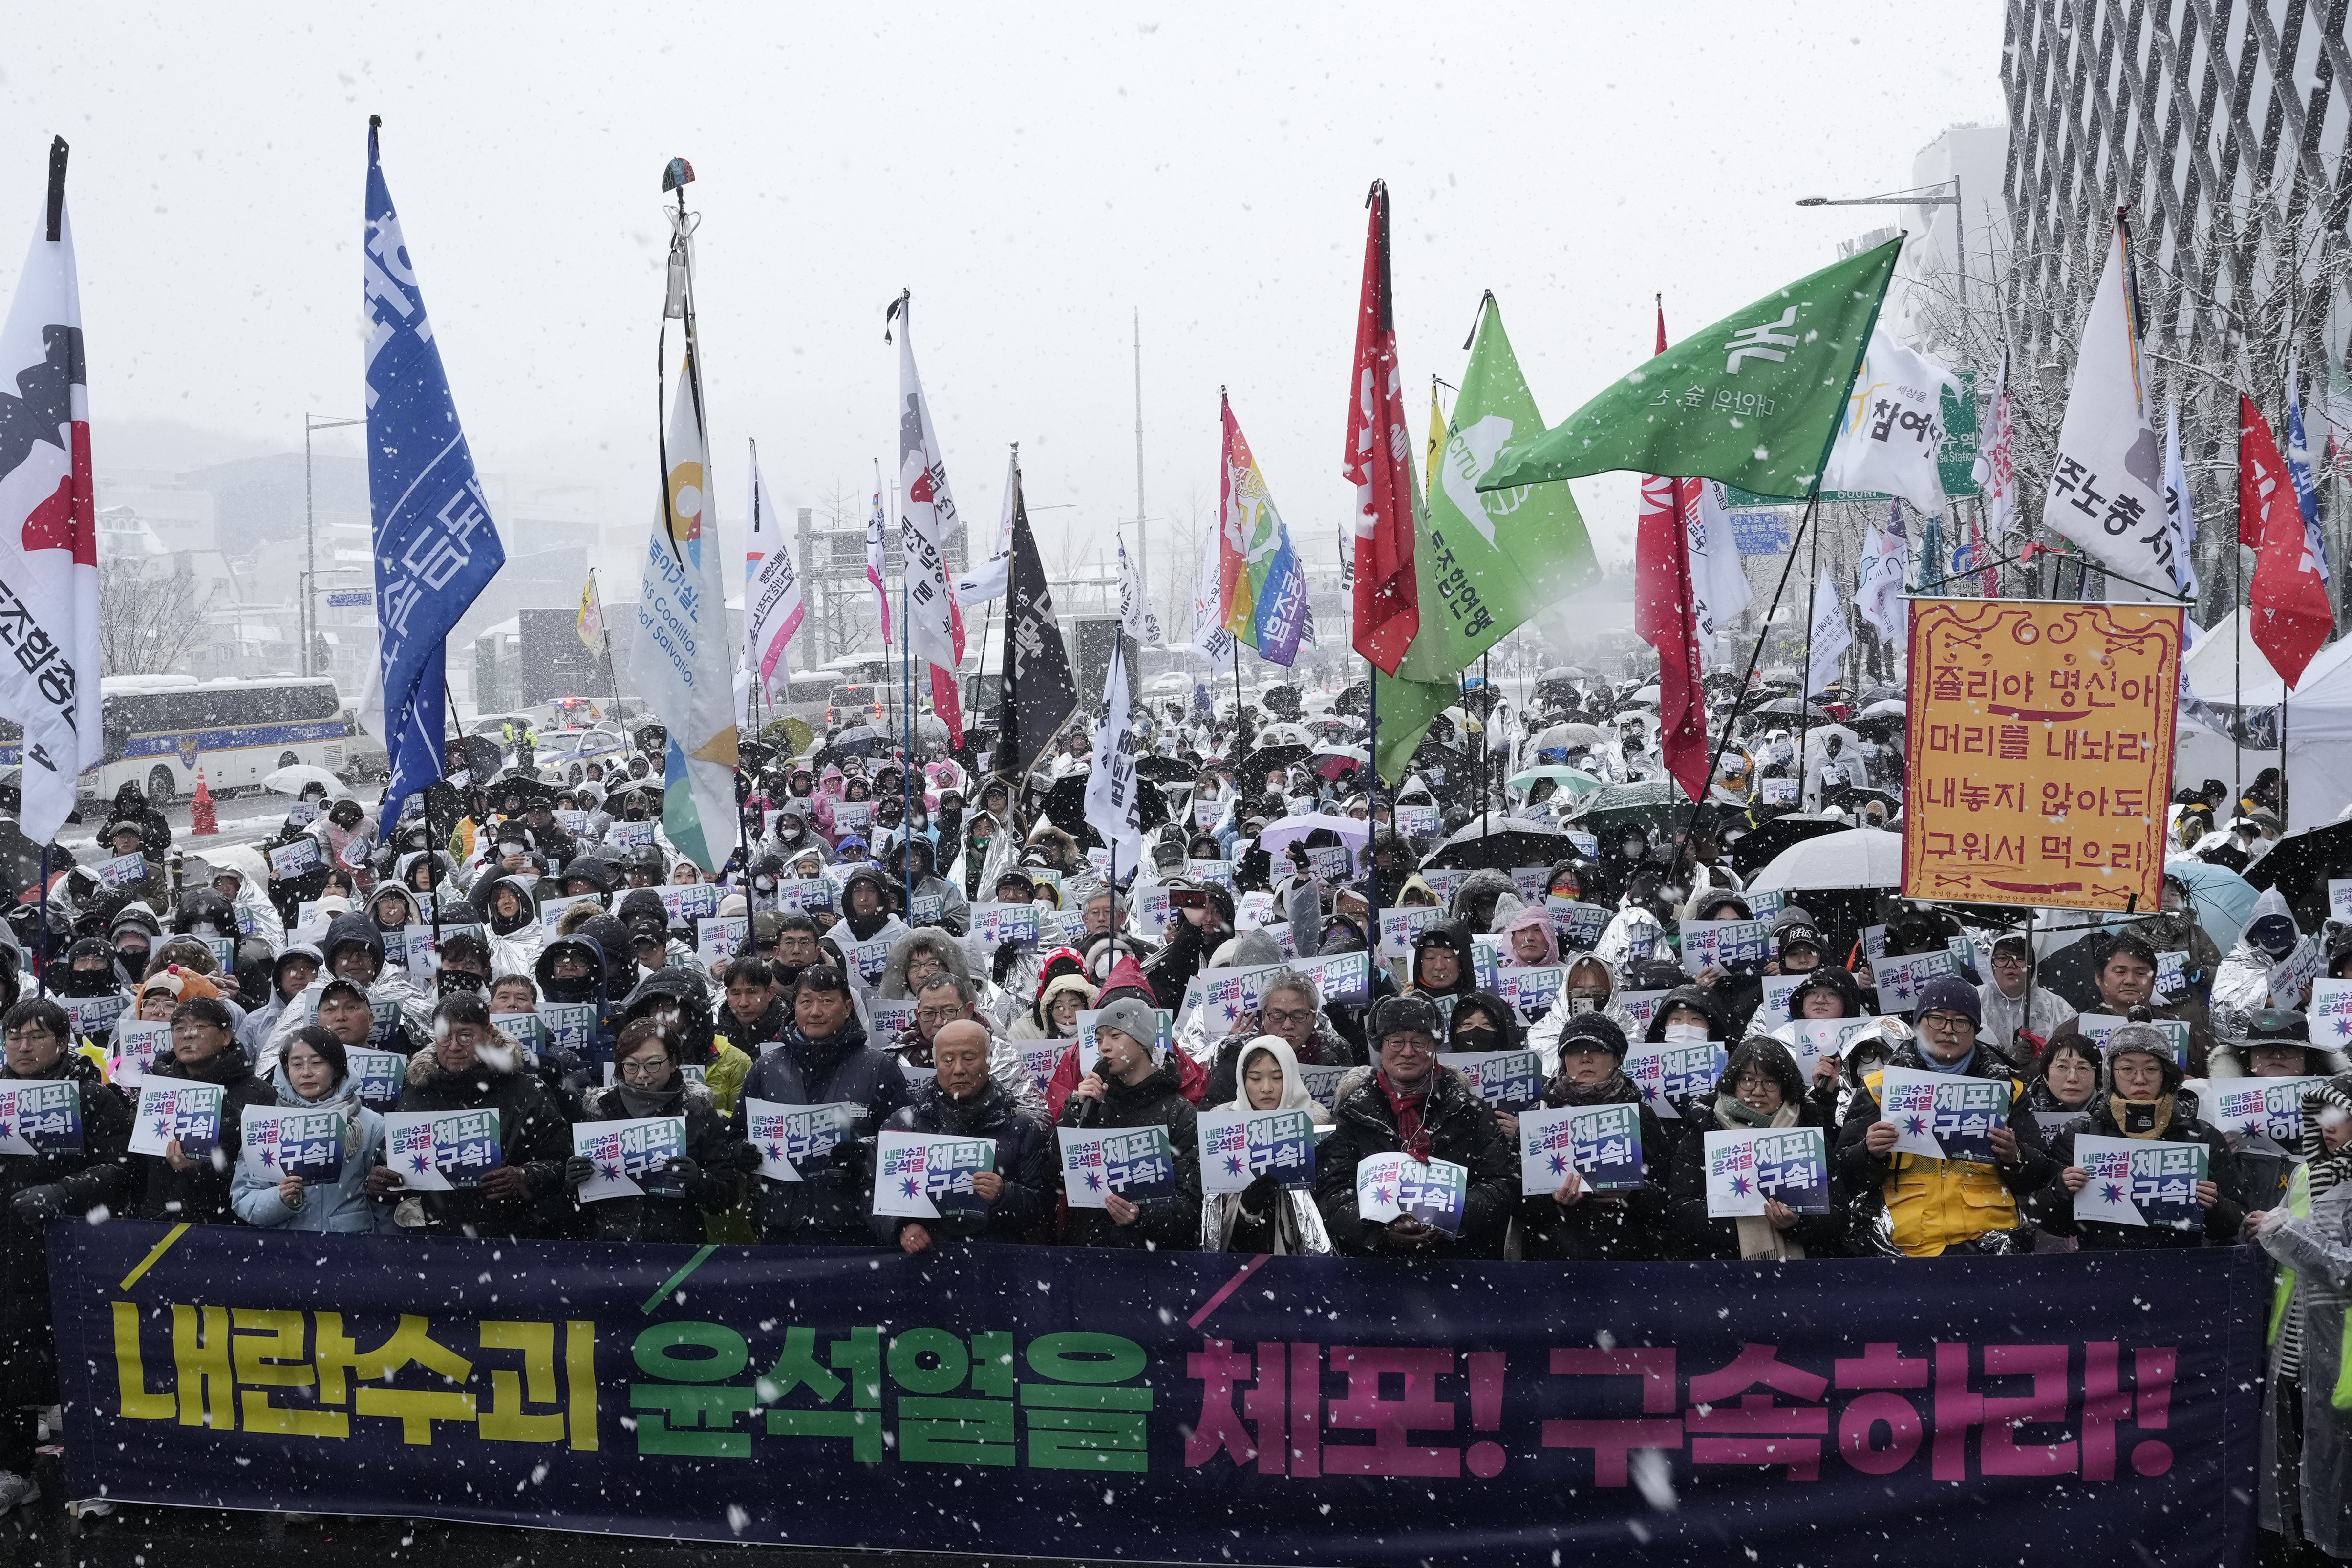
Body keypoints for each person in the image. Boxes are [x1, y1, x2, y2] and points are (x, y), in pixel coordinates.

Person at [0, 997, 132, 1512]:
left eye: (36, 1035)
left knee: (78, 1364)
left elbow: (119, 1170)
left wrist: (64, 1190)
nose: (24, 1046)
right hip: (8, 1253)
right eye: (15, 1036)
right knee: (8, 1366)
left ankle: (94, 1471)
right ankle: (13, 1469)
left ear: (61, 1040)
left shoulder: (94, 1098)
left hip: (68, 1251)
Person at [1836, 975, 2056, 1257]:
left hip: (1991, 1249)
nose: (1948, 1031)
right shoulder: (1879, 1088)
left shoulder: (2008, 1091)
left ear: (1976, 1030)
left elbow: (2042, 1177)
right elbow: (1841, 1176)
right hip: (1904, 1248)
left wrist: (2017, 1157)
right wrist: (1868, 1153)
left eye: (1961, 1022)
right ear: (1918, 1025)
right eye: (1937, 1019)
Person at [1314, 994, 1515, 1259]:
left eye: (1419, 1043)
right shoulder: (1353, 1113)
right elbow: (1333, 1191)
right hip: (1374, 1269)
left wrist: (1446, 1216)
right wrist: (1381, 1229)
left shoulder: (1471, 1110)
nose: (1407, 1052)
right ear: (1380, 1047)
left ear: (1435, 1047)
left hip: (1460, 1264)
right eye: (1396, 1042)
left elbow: (1501, 1185)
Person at [2246, 1074, 2352, 1560]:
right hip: (2294, 1351)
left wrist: (2284, 1234)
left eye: (2340, 1113)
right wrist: (2265, 1227)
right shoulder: (2309, 1173)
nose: (2328, 1126)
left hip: (2341, 1357)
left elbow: (2342, 1269)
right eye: (2321, 1113)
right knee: (2302, 1464)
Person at [370, 994, 573, 1239]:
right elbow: (390, 1167)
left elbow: (562, 1164)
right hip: (432, 1241)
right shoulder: (416, 1093)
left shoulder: (528, 1091)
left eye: (465, 1036)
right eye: (445, 1036)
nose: (454, 1046)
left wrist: (525, 1177)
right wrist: (381, 1183)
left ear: (488, 1033)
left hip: (513, 1237)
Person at [738, 965, 909, 1245]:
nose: (815, 1011)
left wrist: (865, 1153)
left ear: (847, 1007)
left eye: (826, 1001)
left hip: (853, 1227)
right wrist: (741, 1152)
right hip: (781, 1227)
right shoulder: (766, 1068)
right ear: (794, 1008)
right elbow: (736, 1134)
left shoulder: (879, 1068)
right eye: (806, 1002)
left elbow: (903, 1147)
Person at [2042, 1022, 2242, 1249]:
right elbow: (2052, 1224)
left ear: (2166, 1075)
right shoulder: (2080, 1133)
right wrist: (2061, 1191)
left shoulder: (2202, 1136)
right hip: (2101, 1270)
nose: (2140, 1079)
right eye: (2127, 1069)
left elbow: (2235, 1222)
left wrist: (2216, 1206)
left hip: (2180, 1270)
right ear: (2111, 1076)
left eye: (2151, 1069)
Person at [565, 1018, 752, 1242]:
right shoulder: (600, 1112)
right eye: (631, 1065)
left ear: (673, 1062)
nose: (642, 1075)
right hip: (611, 1246)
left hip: (679, 1245)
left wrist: (700, 1180)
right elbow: (572, 1204)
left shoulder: (697, 1111)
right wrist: (572, 1183)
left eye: (653, 1064)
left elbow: (728, 1194)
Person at [877, 1019, 1053, 1251]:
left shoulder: (1020, 1128)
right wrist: (900, 1226)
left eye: (970, 1058)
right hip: (922, 1261)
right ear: (936, 1063)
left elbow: (1045, 1204)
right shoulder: (903, 1124)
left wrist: (1004, 1195)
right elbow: (872, 1190)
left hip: (998, 1262)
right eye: (948, 1060)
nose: (958, 1069)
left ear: (989, 1061)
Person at [1668, 1037, 1847, 1260]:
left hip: (1802, 1274)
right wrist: (1739, 1218)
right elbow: (1679, 1209)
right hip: (1724, 1271)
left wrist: (1798, 1223)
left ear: (1786, 1087)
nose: (1758, 1091)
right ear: (1733, 1083)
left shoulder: (1806, 1131)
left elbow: (1838, 1214)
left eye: (1770, 1082)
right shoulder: (1704, 1129)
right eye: (1747, 1080)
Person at [1054, 996, 1201, 1250]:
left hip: (1155, 1259)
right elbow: (1056, 1175)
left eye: (1114, 1036)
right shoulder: (1092, 1105)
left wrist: (1141, 1217)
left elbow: (1191, 1202)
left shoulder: (1180, 1113)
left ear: (1143, 1040)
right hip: (1090, 1254)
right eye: (1099, 1039)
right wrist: (1075, 1111)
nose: (1104, 1048)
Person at [1519, 1013, 1668, 1262]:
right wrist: (1553, 1200)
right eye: (1575, 1051)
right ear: (1564, 1061)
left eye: (1597, 1050)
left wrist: (1632, 1194)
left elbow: (1668, 1196)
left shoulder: (1641, 1115)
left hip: (1631, 1257)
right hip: (1554, 1257)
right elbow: (1516, 1197)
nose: (1586, 1058)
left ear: (1617, 1059)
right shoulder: (1540, 1116)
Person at [229, 1026, 393, 1233]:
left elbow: (385, 1203)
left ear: (337, 1067)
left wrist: (385, 1252)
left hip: (351, 1245)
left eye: (317, 1063)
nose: (306, 1073)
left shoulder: (370, 1124)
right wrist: (281, 1199)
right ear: (286, 1071)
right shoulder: (267, 1123)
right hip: (286, 1247)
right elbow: (245, 1197)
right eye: (296, 1064)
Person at [129, 997, 277, 1225]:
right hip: (157, 1222)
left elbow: (264, 1172)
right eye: (179, 1028)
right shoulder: (155, 1088)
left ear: (226, 1036)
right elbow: (135, 1165)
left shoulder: (257, 1094)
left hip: (226, 1226)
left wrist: (203, 1169)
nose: (188, 1035)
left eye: (199, 1026)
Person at [1201, 1034, 1334, 1255]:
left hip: (1304, 1264)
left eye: (1277, 1077)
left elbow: (1329, 1199)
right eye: (1255, 1078)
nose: (1266, 1088)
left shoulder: (1318, 1128)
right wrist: (1248, 1210)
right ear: (1242, 1081)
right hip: (1245, 1259)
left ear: (1291, 1077)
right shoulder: (1223, 1130)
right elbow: (1213, 1216)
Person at [2044, 931, 2216, 1076]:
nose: (2130, 980)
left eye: (2141, 973)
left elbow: (2217, 1085)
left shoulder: (2188, 1033)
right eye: (2120, 972)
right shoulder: (2073, 1032)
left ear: (2154, 979)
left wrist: (2198, 1087)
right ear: (2098, 977)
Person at [1202, 969, 1357, 1107]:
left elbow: (1347, 1114)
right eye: (1278, 1016)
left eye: (1299, 1016)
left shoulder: (1336, 1049)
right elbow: (1213, 1117)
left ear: (1314, 1017)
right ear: (1264, 1016)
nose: (1288, 1025)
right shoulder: (1236, 1052)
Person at [1976, 933, 2074, 1061]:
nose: (2010, 965)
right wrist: (2002, 1056)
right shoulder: (1975, 998)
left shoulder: (2056, 1006)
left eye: (2020, 959)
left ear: (2032, 967)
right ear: (1992, 965)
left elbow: (2075, 1047)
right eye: (2002, 959)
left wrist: (2043, 1064)